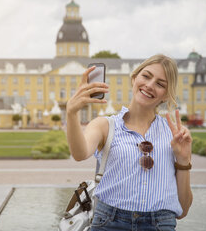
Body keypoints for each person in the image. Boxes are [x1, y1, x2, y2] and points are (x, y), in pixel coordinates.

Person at [66, 54, 193, 230]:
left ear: (166, 95)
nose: (149, 85)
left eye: (160, 84)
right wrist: (72, 113)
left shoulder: (174, 135)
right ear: (134, 78)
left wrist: (183, 159)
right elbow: (79, 154)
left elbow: (183, 209)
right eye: (146, 76)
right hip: (109, 222)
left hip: (160, 224)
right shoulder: (105, 125)